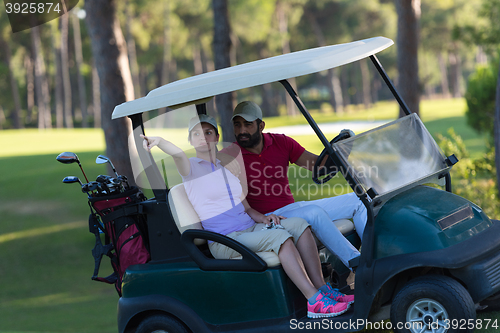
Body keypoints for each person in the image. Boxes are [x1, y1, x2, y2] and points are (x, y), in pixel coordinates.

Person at [140, 114, 354, 318]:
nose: (203, 138)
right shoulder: (190, 169)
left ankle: (323, 290)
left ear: (216, 137)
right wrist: (159, 141)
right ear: (190, 140)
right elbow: (177, 153)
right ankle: (314, 301)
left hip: (249, 229)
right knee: (279, 237)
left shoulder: (225, 169)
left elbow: (247, 208)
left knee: (299, 225)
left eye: (208, 133)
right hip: (225, 240)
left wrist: (265, 218)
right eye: (196, 134)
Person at [220, 101, 367, 269]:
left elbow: (317, 166)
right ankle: (358, 264)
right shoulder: (229, 155)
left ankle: (373, 255)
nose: (242, 131)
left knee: (359, 200)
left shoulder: (281, 142)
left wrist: (340, 151)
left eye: (248, 124)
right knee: (313, 212)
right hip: (265, 220)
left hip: (292, 209)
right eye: (237, 125)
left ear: (261, 125)